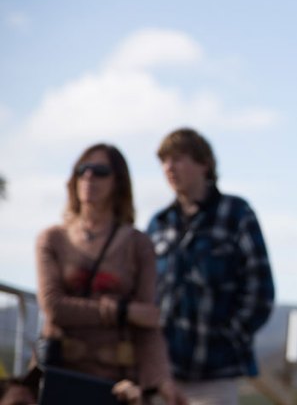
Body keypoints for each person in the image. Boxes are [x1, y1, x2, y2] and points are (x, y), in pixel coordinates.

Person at [34, 144, 184, 404]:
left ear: (118, 182)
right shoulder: (53, 239)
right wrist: (122, 312)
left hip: (117, 382)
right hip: (61, 373)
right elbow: (55, 306)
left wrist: (162, 378)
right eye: (83, 170)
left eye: (100, 171)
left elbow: (148, 323)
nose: (89, 177)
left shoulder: (138, 244)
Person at [146, 128, 274, 405]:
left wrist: (227, 338)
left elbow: (260, 292)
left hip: (214, 376)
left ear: (204, 163)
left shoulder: (236, 214)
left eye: (178, 159)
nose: (169, 168)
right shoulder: (159, 223)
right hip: (161, 374)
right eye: (164, 161)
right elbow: (144, 292)